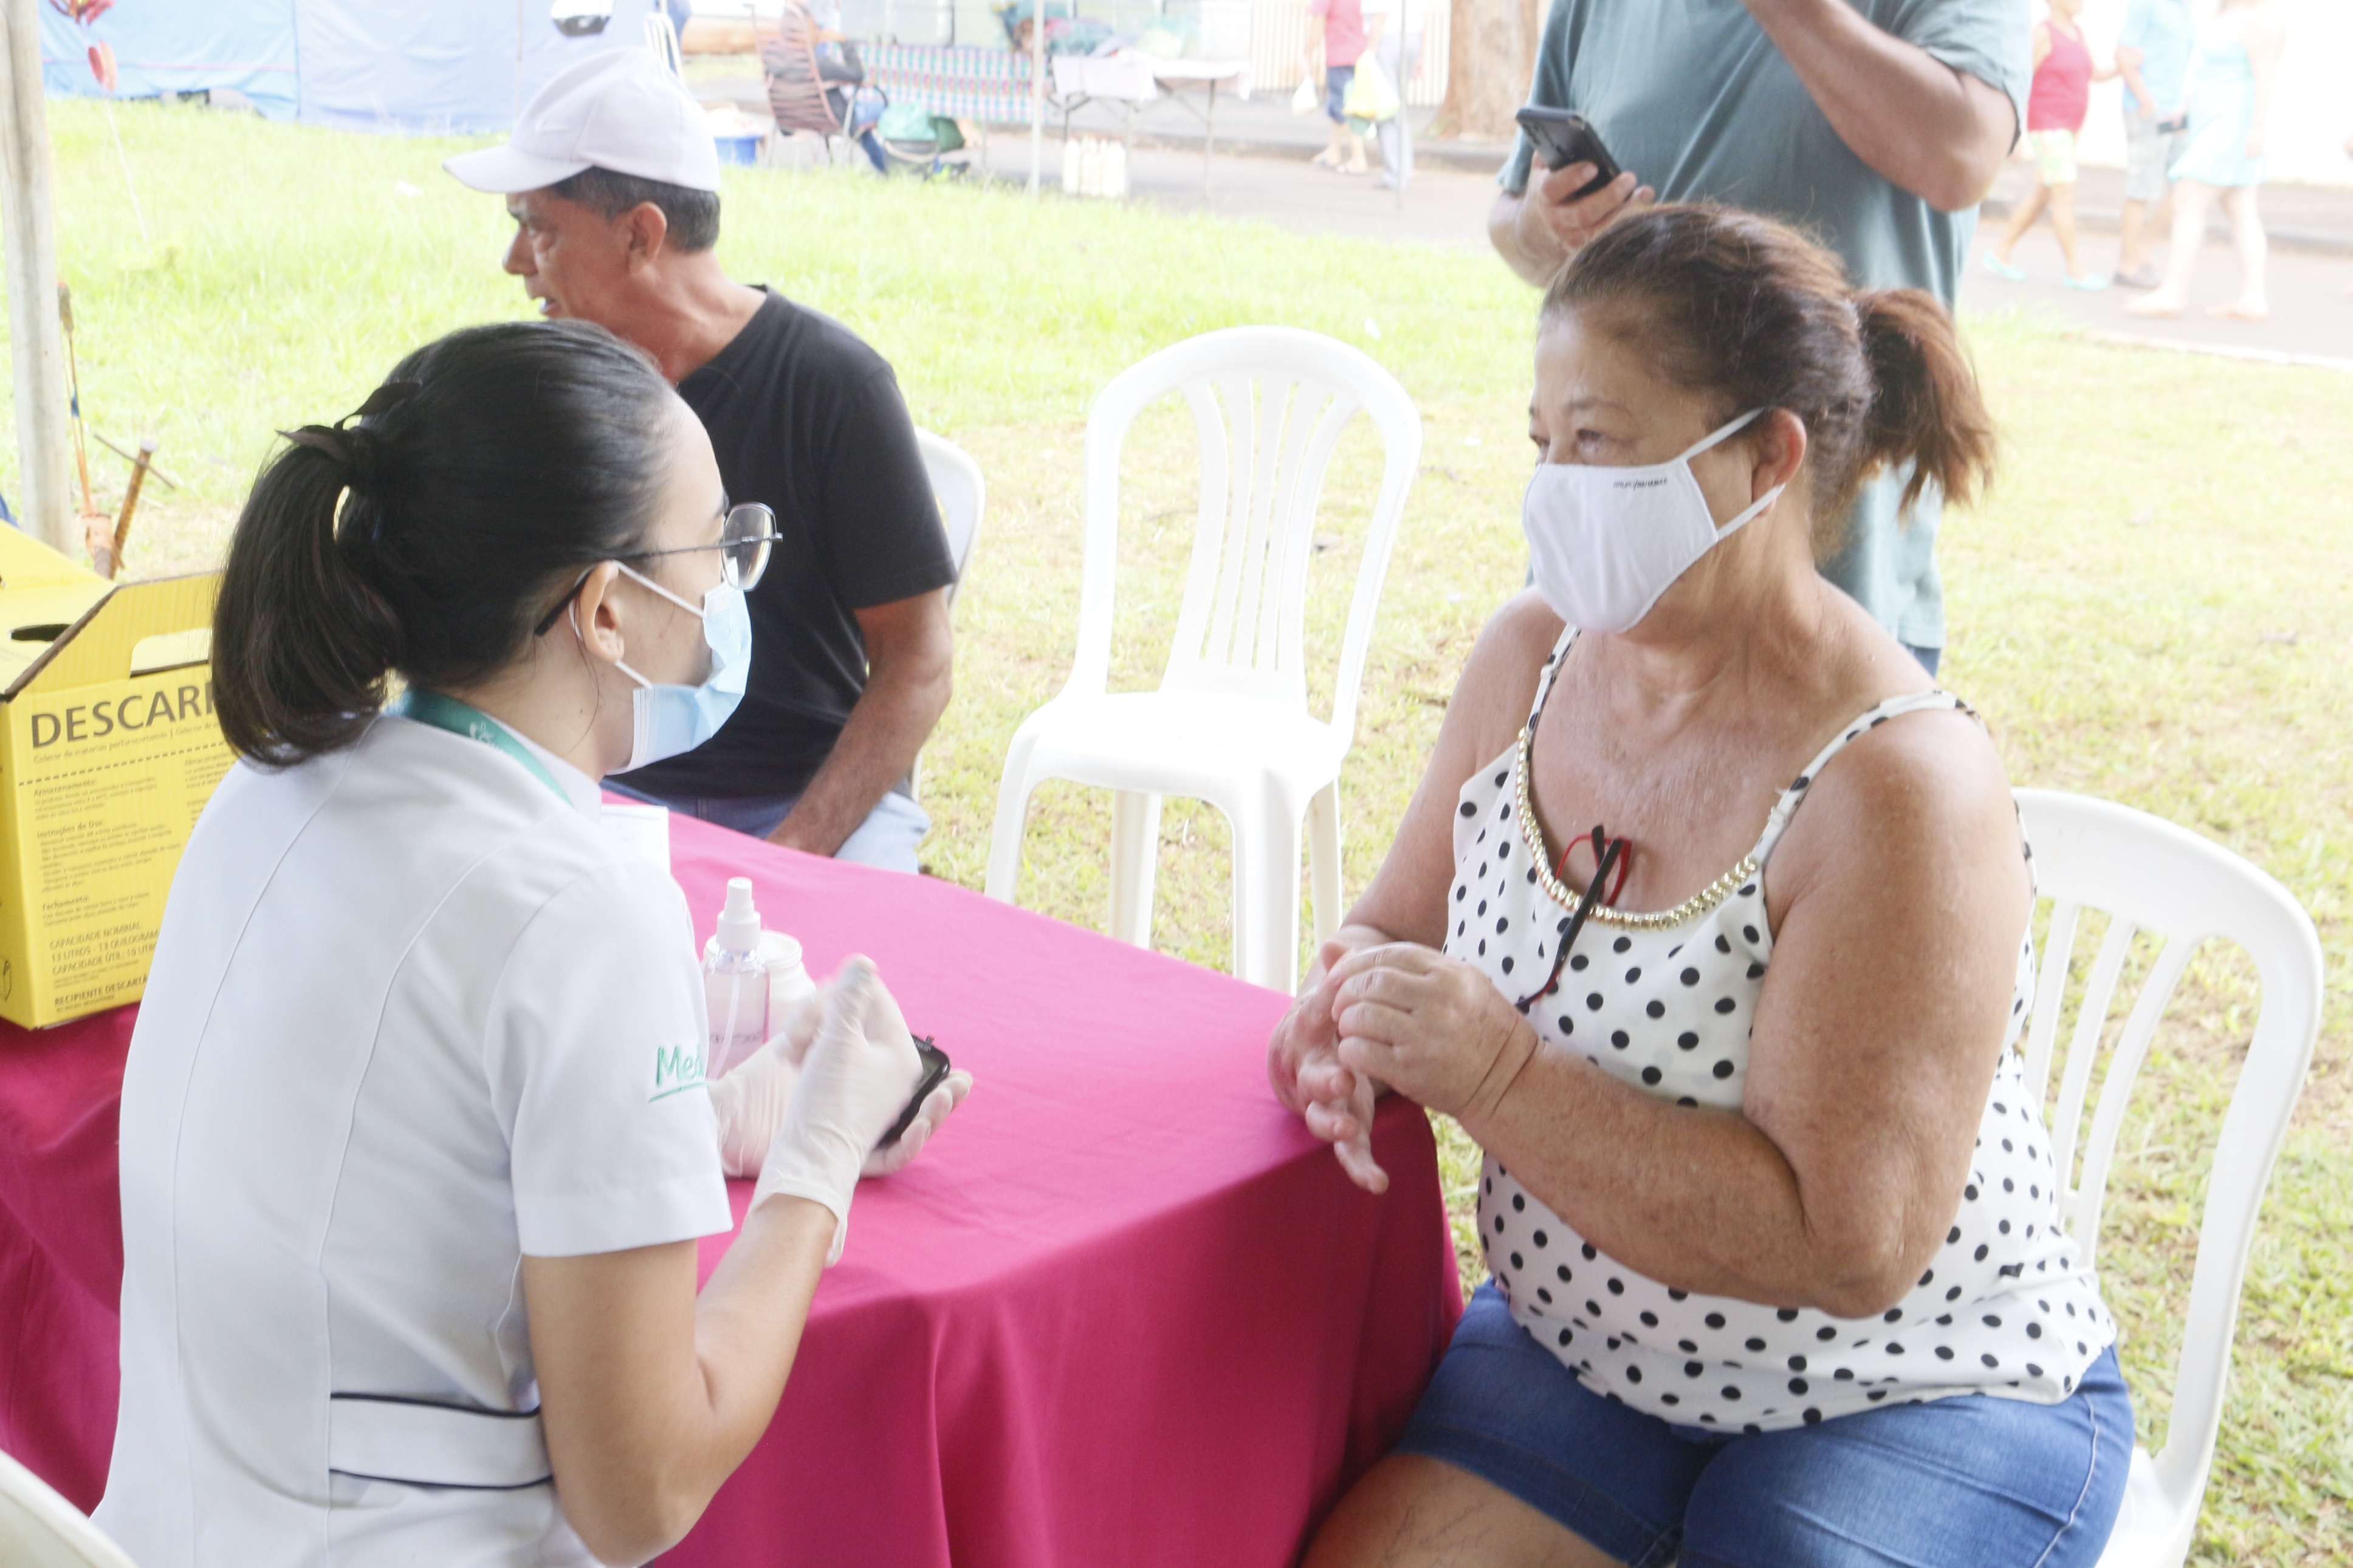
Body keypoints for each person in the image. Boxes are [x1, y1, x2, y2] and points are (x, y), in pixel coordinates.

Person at [1271, 205, 2131, 1568]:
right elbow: (1390, 922)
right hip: (1591, 1351)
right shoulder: (1531, 657)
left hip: (1916, 1386)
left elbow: (1848, 1244)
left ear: (1764, 457)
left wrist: (1495, 1076)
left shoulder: (1897, 786)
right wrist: (1345, 1018)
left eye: (1598, 443)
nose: (1554, 488)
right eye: (1542, 443)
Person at [94, 320, 969, 1564]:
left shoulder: (274, 785)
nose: (735, 585)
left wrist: (698, 1118)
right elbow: (642, 1491)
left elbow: (389, 1154)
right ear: (606, 609)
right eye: (721, 547)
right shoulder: (578, 906)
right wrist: (812, 1169)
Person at [446, 49, 957, 872]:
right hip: (607, 790)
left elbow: (919, 659)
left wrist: (795, 851)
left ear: (640, 234)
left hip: (808, 796)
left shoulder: (834, 387)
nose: (514, 260)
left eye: (537, 226)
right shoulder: (556, 391)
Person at [1489, 0, 2028, 679]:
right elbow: (1511, 218)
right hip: (1610, 574)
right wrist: (1544, 227)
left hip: (1826, 574)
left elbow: (1961, 155)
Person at [2127, 0, 2284, 321]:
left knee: (2188, 197)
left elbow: (2264, 77)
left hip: (2233, 123)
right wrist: (2186, 108)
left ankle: (2174, 291)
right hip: (2211, 120)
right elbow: (2206, 70)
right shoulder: (2224, 13)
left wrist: (2257, 130)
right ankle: (2253, 298)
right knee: (2241, 209)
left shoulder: (2259, 19)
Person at [1984, 0, 2112, 289]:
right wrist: (2014, 130)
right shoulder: (2043, 34)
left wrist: (2124, 67)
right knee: (2064, 194)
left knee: (2043, 194)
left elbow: (2094, 74)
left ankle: (2001, 252)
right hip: (2049, 128)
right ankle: (2076, 270)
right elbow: (2022, 79)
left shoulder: (2077, 33)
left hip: (2069, 129)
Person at [2112, 0, 2196, 287]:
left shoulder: (2185, 7)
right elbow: (2123, 54)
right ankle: (2127, 266)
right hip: (2148, 110)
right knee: (2142, 188)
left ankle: (2142, 253)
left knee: (2184, 185)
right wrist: (2146, 101)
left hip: (2176, 111)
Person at [1304, 0, 1382, 175]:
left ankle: (1358, 159)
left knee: (1344, 107)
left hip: (1340, 56)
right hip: (1360, 54)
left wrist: (1307, 55)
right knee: (1337, 104)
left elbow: (1317, 22)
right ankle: (1334, 151)